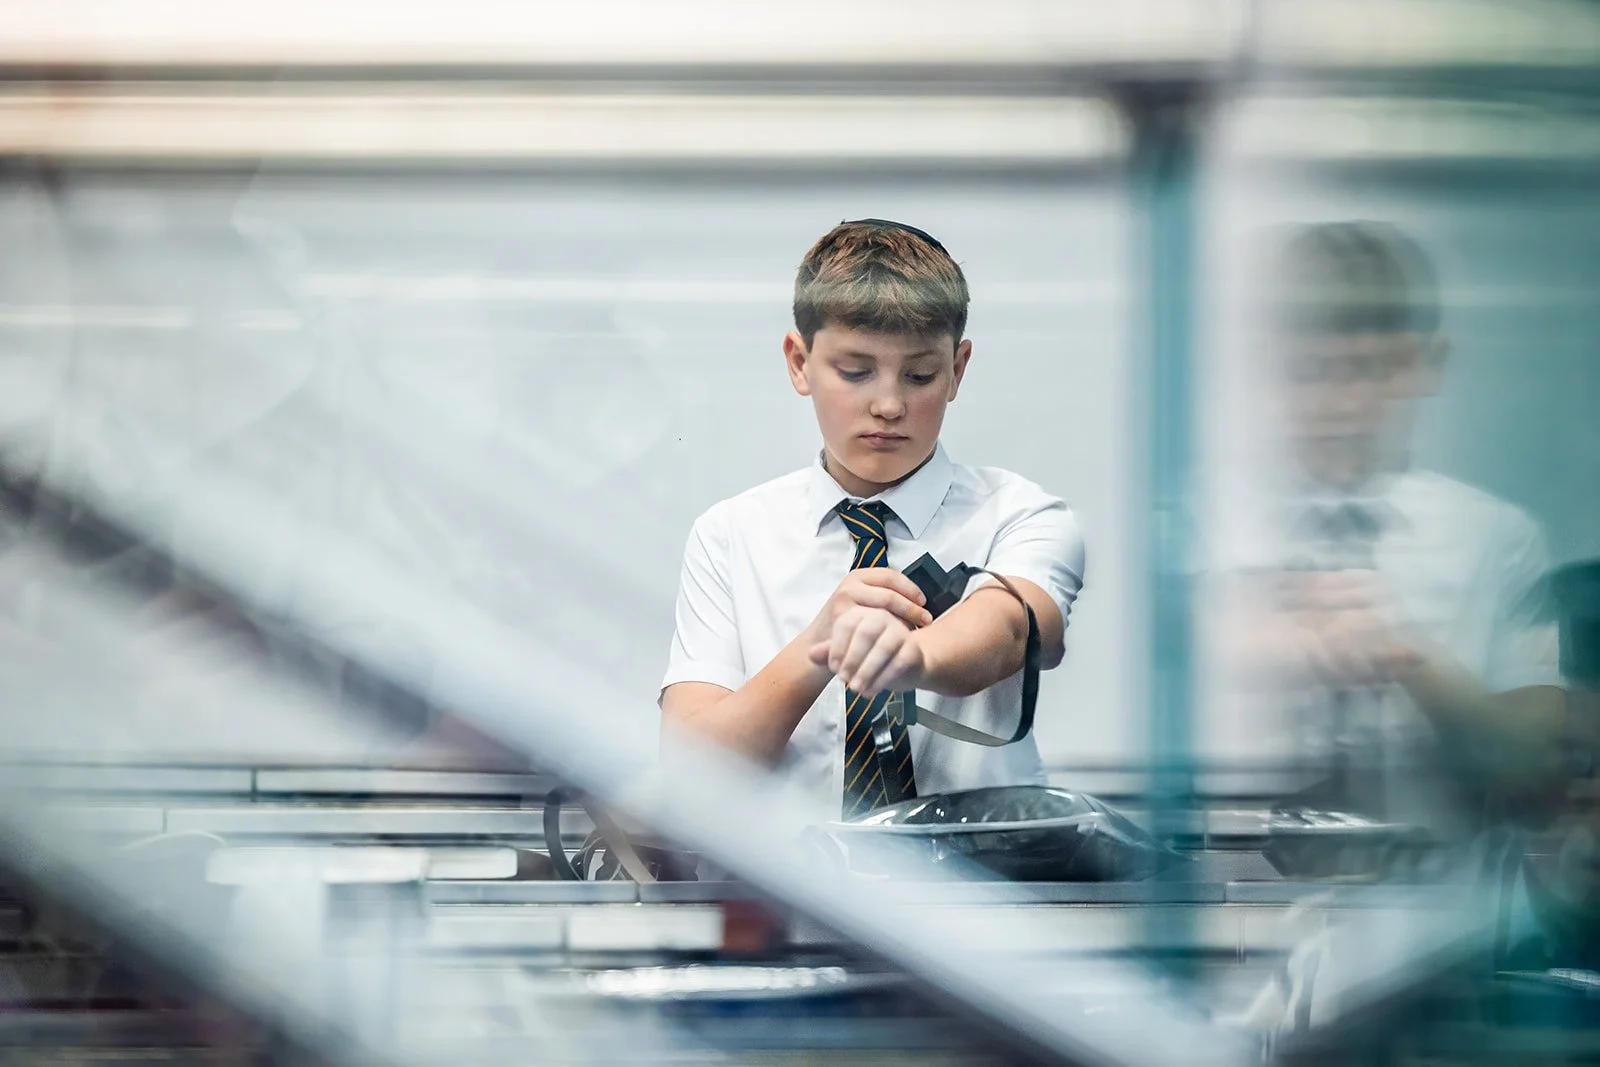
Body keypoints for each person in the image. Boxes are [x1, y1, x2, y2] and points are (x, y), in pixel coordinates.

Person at [659, 219, 1084, 821]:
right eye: (856, 372)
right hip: (788, 903)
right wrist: (819, 648)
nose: (888, 405)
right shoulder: (730, 535)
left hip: (976, 907)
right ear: (799, 362)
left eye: (919, 375)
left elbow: (1015, 628)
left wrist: (913, 660)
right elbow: (689, 775)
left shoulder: (1020, 513)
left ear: (958, 370)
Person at [1222, 220, 1566, 841]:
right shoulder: (1197, 530)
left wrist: (1404, 659)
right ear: (1263, 365)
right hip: (1225, 875)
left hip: (1440, 890)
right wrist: (1224, 651)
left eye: (1369, 369)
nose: (1339, 399)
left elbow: (1540, 766)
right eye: (1307, 371)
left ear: (1428, 362)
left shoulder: (1494, 539)